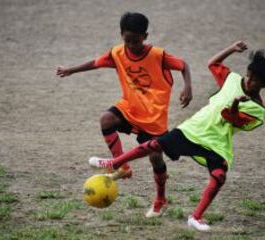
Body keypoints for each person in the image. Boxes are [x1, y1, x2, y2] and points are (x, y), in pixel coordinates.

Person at [88, 40, 265, 231]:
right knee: (154, 146)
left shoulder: (257, 111)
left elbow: (231, 118)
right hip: (192, 129)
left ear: (264, 85)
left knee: (219, 176)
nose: (249, 82)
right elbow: (212, 63)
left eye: (255, 81)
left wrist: (236, 104)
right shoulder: (232, 79)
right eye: (249, 76)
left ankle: (195, 217)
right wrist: (231, 49)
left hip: (216, 143)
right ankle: (115, 163)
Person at [56, 12, 192, 217]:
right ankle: (122, 166)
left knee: (156, 158)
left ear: (145, 36)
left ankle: (160, 199)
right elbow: (95, 63)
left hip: (154, 117)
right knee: (106, 119)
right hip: (130, 108)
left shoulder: (158, 55)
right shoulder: (117, 53)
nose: (132, 45)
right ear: (121, 35)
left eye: (136, 41)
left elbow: (184, 66)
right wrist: (70, 70)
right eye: (127, 40)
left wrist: (187, 88)